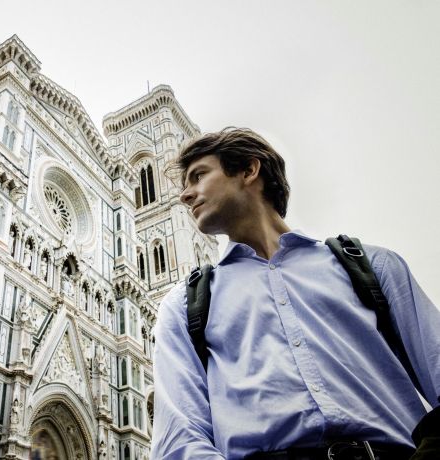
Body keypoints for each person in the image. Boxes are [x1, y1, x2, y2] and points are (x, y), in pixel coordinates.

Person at [151, 128, 440, 460]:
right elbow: (179, 440)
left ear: (249, 170)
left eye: (198, 176)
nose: (185, 195)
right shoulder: (185, 305)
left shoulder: (369, 266)